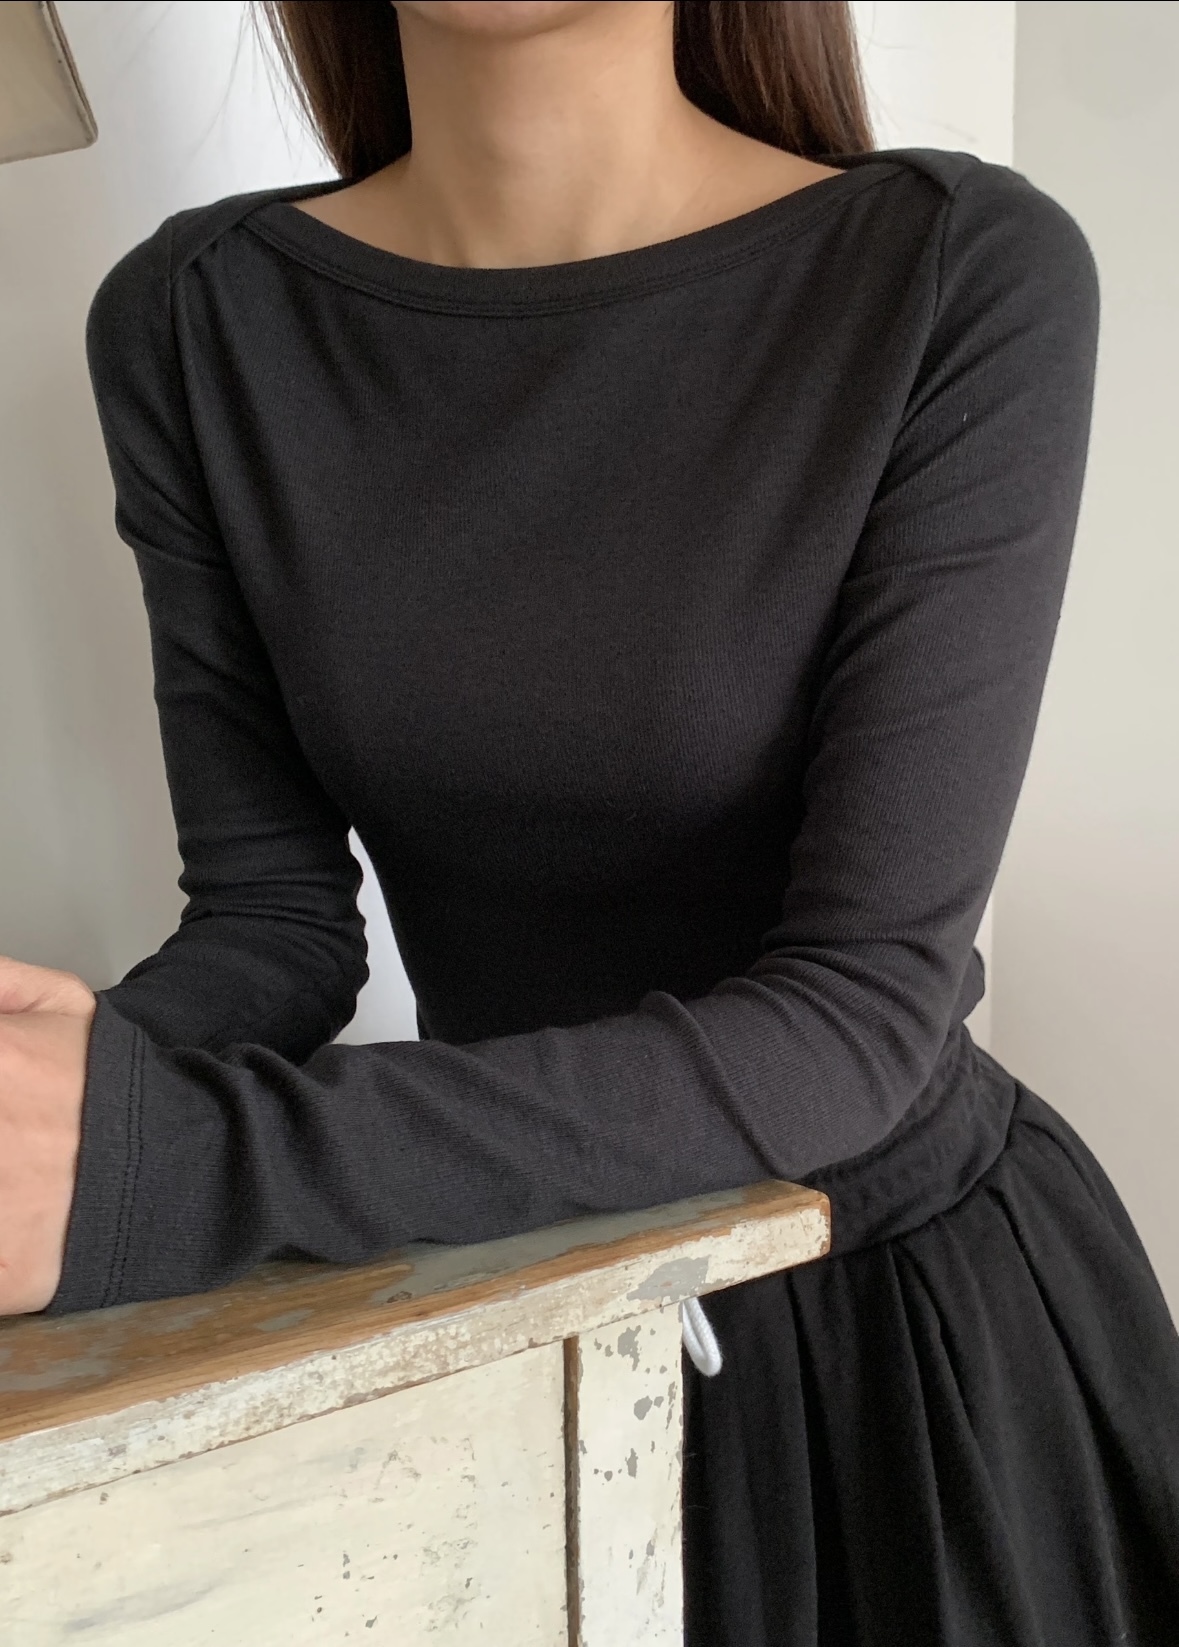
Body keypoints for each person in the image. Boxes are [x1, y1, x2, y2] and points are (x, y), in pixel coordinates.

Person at [0, 0, 1176, 1638]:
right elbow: (274, 926)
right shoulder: (195, 321)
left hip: (891, 1354)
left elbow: (854, 1024)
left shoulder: (953, 270)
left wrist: (167, 1163)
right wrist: (76, 1084)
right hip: (503, 1316)